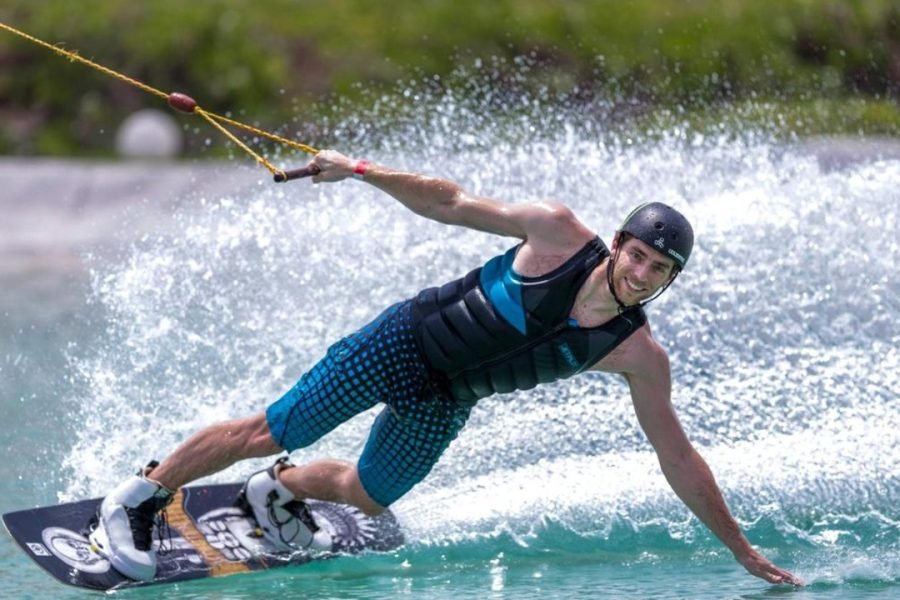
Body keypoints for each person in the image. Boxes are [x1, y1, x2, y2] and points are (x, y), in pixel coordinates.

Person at [89, 149, 801, 586]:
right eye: (637, 255)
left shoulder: (638, 355)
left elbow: (677, 457)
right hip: (401, 344)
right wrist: (359, 170)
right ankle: (141, 496)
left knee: (367, 497)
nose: (641, 273)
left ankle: (275, 493)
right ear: (618, 244)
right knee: (271, 427)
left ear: (668, 280)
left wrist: (738, 549)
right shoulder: (557, 233)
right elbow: (449, 201)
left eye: (658, 270)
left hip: (446, 401)